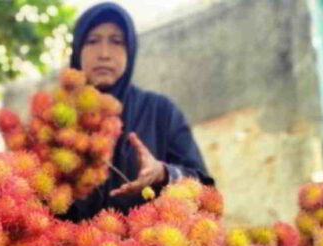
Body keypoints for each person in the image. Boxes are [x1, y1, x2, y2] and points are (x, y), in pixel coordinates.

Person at [62, 2, 213, 222]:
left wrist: (163, 174)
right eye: (92, 41)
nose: (104, 53)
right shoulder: (56, 120)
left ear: (130, 50)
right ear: (77, 50)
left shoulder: (161, 111)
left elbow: (207, 191)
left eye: (116, 41)